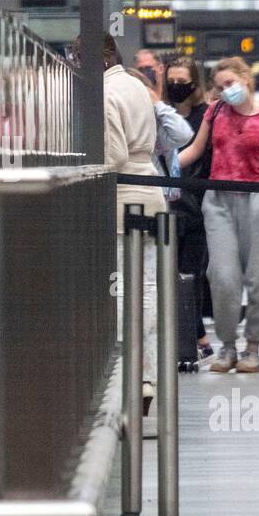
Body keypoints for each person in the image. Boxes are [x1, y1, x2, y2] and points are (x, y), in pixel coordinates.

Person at [178, 56, 259, 373]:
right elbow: (196, 149)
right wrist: (170, 165)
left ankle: (252, 346)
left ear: (247, 80)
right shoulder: (214, 113)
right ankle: (227, 345)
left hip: (257, 199)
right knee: (223, 277)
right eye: (220, 86)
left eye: (230, 83)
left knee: (256, 277)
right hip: (218, 200)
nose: (226, 90)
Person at [104, 37, 167, 410]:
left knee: (123, 292)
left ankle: (131, 372)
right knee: (148, 289)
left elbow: (113, 156)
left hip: (122, 197)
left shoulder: (106, 91)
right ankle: (147, 378)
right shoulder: (136, 85)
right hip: (151, 192)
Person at [165, 56, 215, 364]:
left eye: (182, 82)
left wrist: (168, 166)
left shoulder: (205, 115)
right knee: (169, 274)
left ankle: (197, 336)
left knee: (192, 274)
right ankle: (193, 337)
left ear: (195, 84)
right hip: (169, 205)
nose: (176, 86)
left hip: (198, 205)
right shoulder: (164, 113)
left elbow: (197, 151)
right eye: (172, 80)